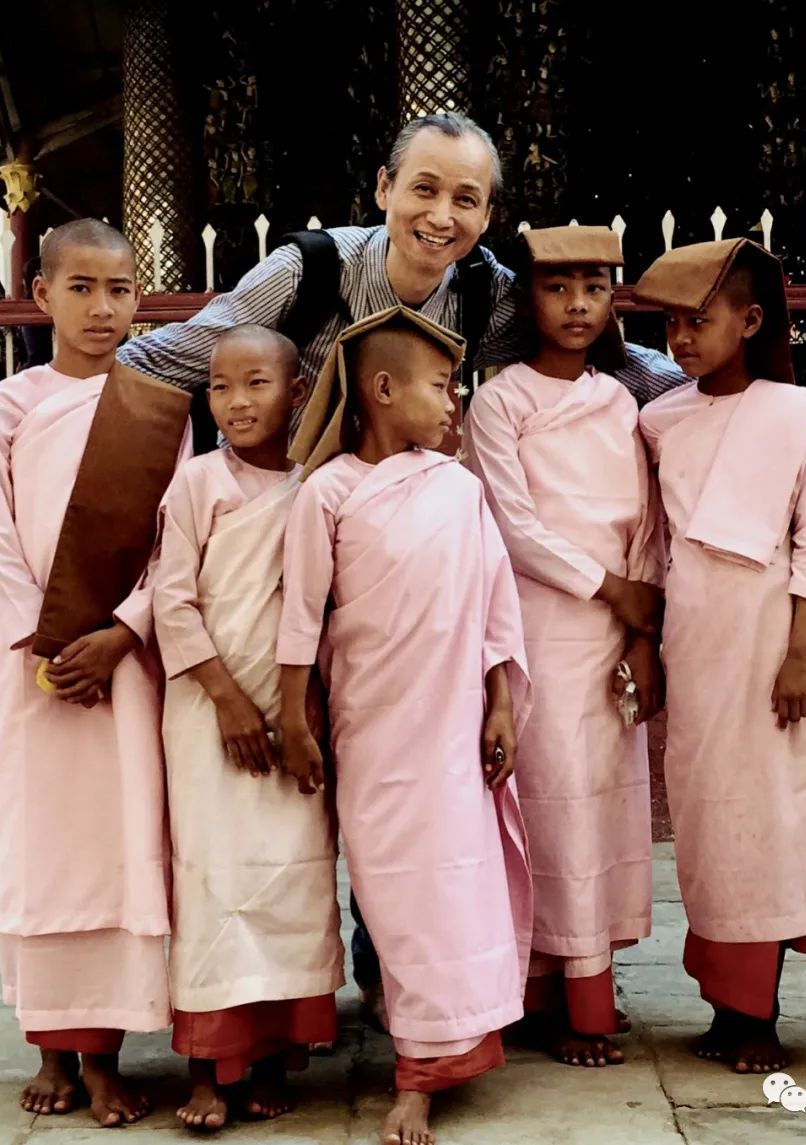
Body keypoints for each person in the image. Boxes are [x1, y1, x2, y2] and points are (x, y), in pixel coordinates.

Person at [33, 113, 685, 1014]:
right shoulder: (305, 271)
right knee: (283, 776)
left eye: (466, 198)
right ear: (383, 188)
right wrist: (94, 595)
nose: (440, 215)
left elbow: (606, 357)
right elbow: (174, 357)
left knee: (410, 767)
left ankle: (402, 972)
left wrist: (714, 390)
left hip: (403, 563)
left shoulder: (488, 291)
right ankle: (271, 999)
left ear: (488, 213)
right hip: (282, 548)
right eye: (423, 188)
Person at [277, 306, 533, 1145]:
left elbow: (497, 602)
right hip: (374, 728)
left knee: (455, 883)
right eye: (439, 386)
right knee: (394, 890)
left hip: (455, 726)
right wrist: (292, 710)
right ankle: (413, 1048)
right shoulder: (329, 492)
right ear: (382, 390)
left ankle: (425, 1068)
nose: (454, 401)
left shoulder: (461, 490)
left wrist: (500, 700)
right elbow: (302, 618)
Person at [633, 238, 806, 1072]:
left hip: (769, 633)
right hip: (694, 633)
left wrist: (805, 648)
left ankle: (759, 1011)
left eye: (700, 319)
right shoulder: (658, 419)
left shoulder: (797, 411)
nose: (683, 338)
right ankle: (725, 1003)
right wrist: (647, 644)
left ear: (751, 320)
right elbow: (651, 544)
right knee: (705, 818)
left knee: (766, 817)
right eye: (670, 324)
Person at [0, 219, 178, 1125]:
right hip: (34, 667)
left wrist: (121, 631)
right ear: (41, 292)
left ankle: (101, 1056)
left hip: (122, 664)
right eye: (82, 288)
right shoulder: (7, 407)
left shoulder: (158, 406)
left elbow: (172, 542)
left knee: (115, 848)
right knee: (43, 852)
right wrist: (47, 637)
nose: (104, 309)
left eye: (120, 290)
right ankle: (52, 1050)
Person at [464, 225, 663, 1068]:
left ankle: (589, 985)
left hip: (614, 633)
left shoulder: (622, 401)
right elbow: (513, 525)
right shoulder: (498, 401)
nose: (577, 304)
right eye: (557, 287)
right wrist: (609, 586)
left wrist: (641, 627)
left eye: (593, 287)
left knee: (603, 808)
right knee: (544, 805)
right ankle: (540, 993)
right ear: (525, 299)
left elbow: (648, 523)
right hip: (538, 625)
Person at [153, 324, 344, 1130]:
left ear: (297, 392)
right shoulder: (198, 483)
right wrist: (229, 701)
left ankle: (268, 1054)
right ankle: (209, 1062)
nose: (237, 401)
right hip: (207, 709)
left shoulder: (319, 485)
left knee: (291, 875)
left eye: (257, 383)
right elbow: (171, 597)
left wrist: (297, 712)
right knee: (215, 881)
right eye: (221, 387)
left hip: (296, 715)